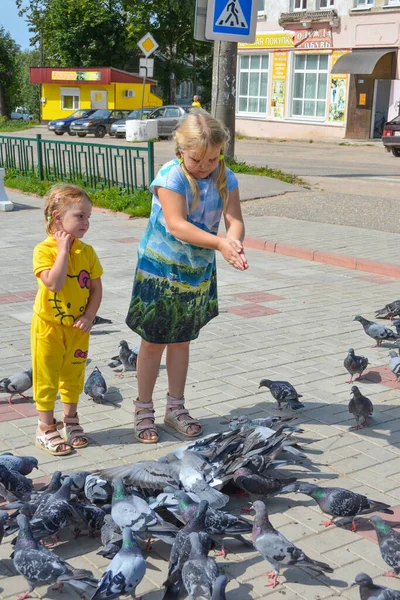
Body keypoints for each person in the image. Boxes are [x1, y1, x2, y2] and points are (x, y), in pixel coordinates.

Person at [126, 110, 248, 443]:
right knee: (153, 343)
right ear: (180, 149)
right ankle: (143, 409)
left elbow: (234, 218)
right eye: (198, 159)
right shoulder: (171, 176)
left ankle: (175, 408)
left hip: (195, 274)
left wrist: (233, 240)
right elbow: (178, 225)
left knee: (181, 341)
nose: (206, 165)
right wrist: (221, 242)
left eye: (213, 158)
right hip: (161, 271)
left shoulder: (225, 175)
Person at [31, 183, 103, 456]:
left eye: (88, 217)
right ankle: (45, 427)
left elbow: (96, 289)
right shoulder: (44, 250)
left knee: (73, 376)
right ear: (57, 218)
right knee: (46, 378)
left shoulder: (87, 252)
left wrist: (89, 316)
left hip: (78, 329)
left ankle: (71, 420)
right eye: (79, 216)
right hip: (48, 329)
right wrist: (62, 250)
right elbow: (55, 283)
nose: (85, 222)